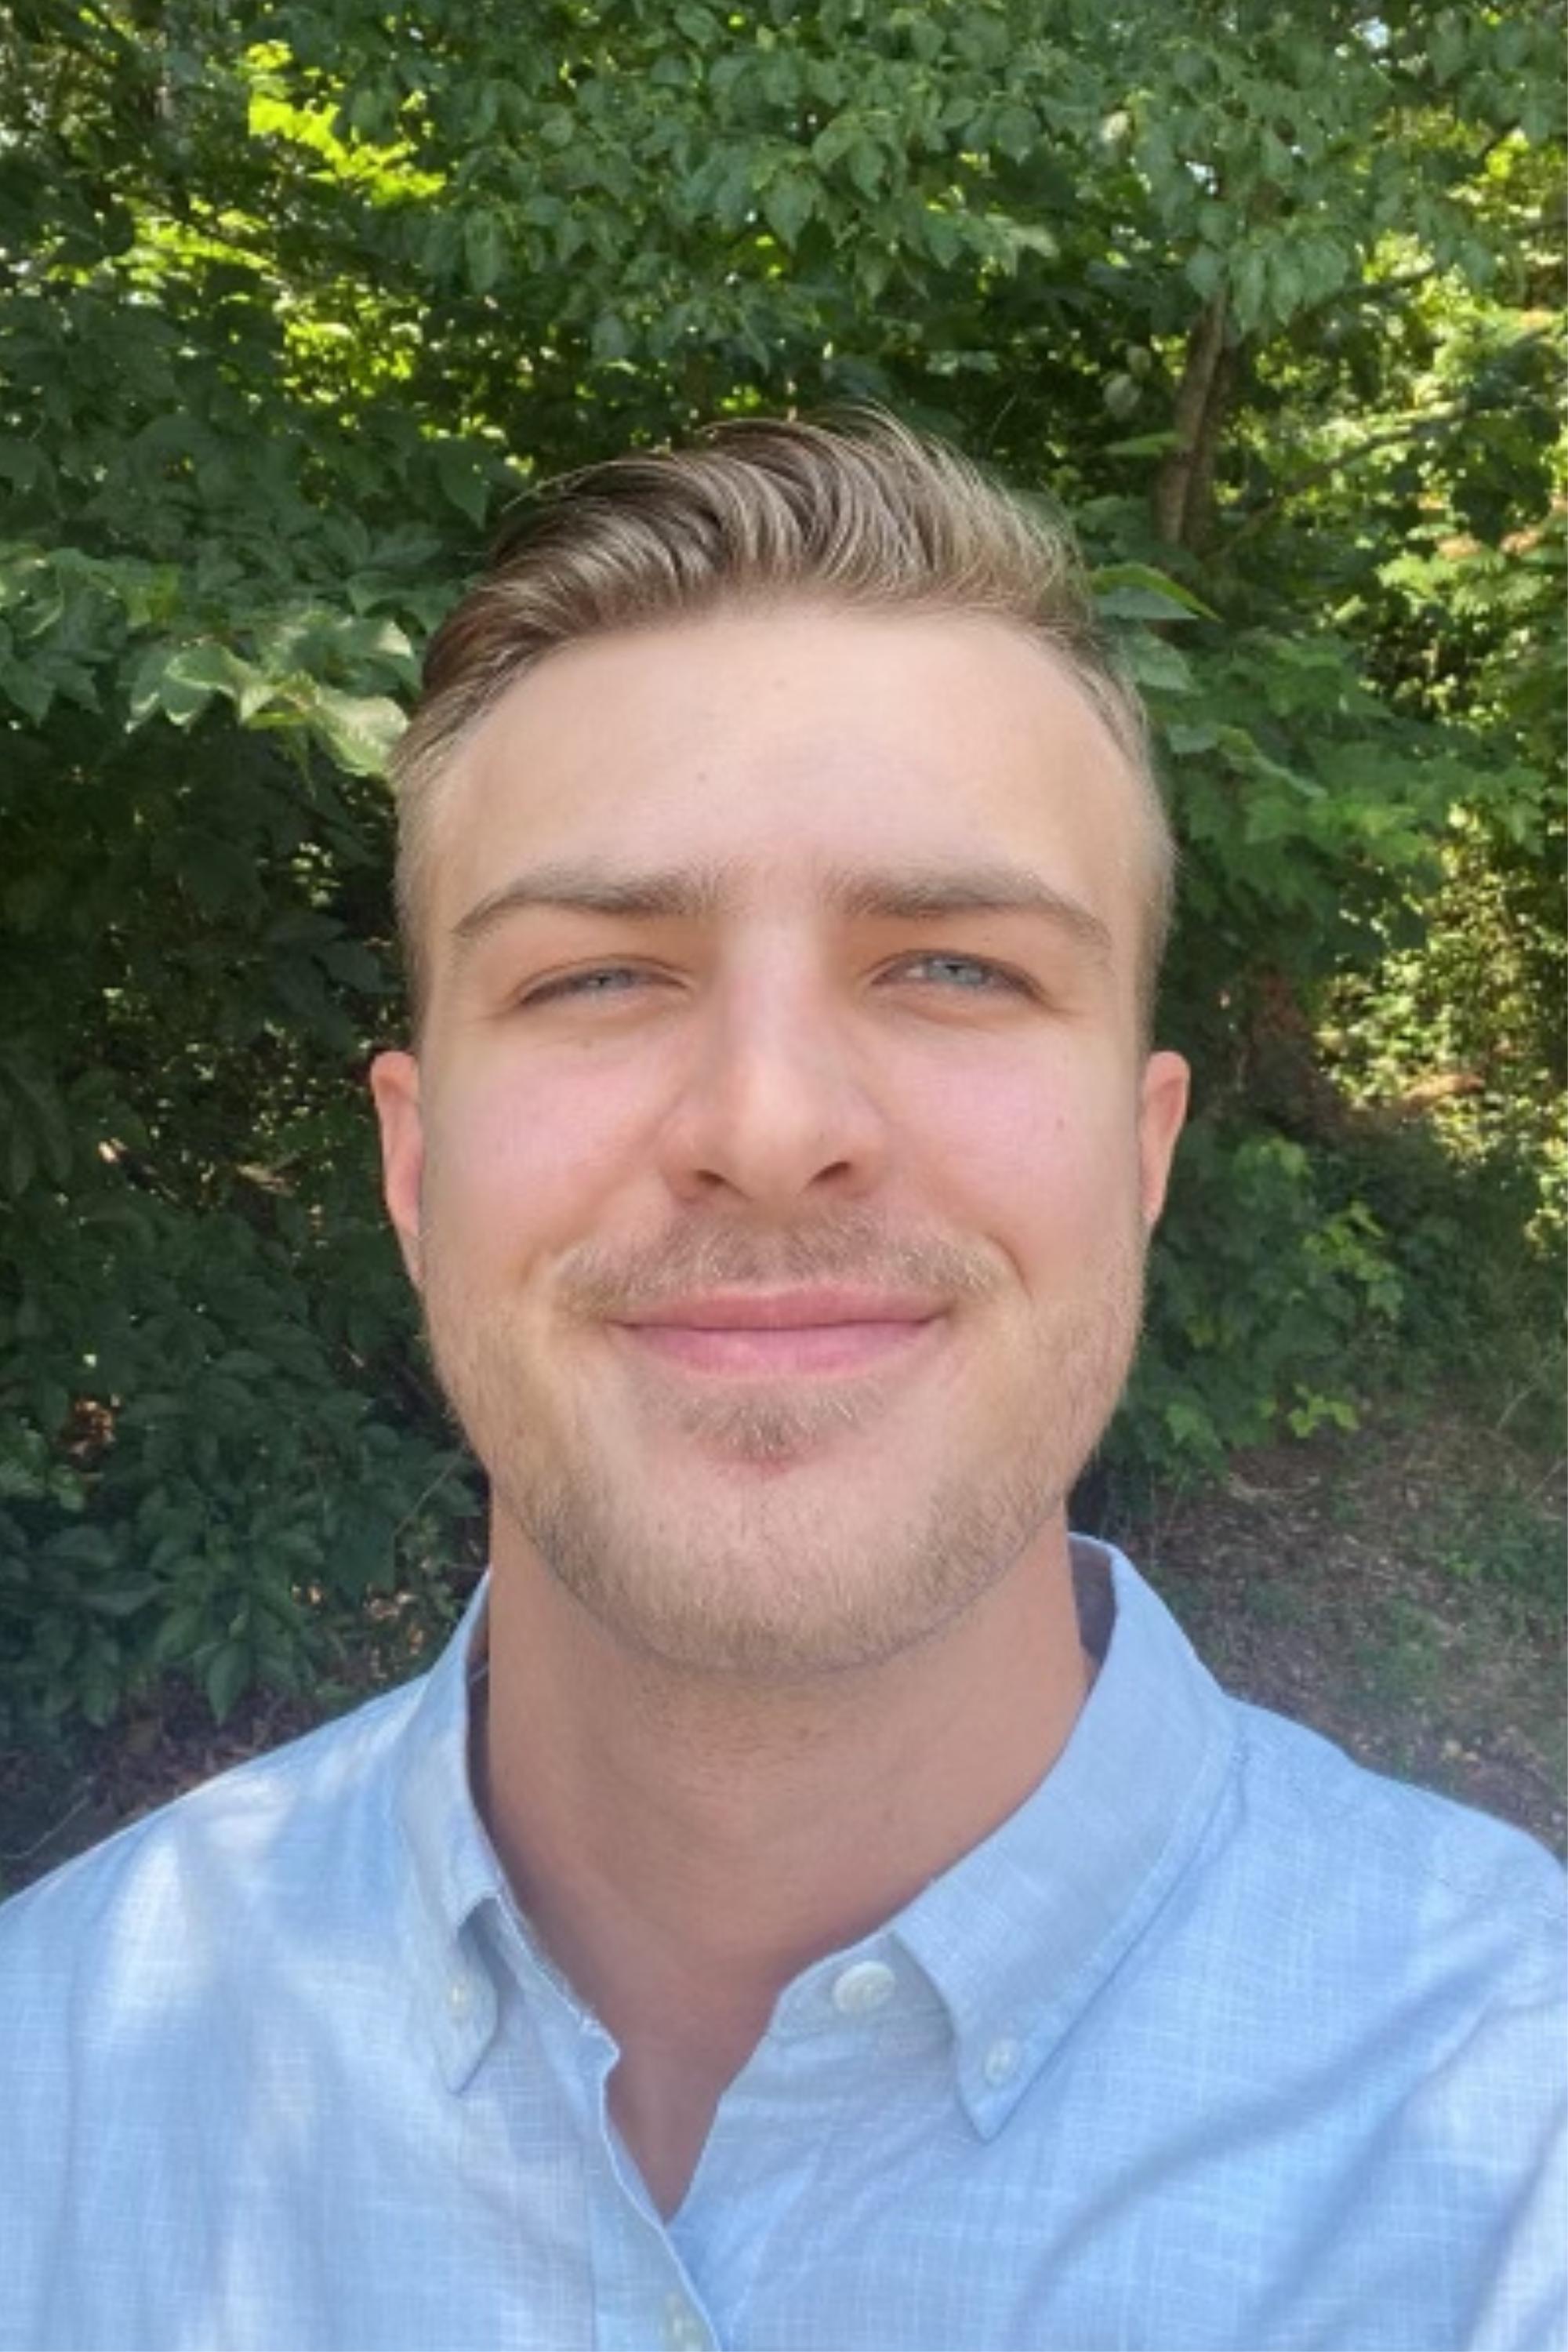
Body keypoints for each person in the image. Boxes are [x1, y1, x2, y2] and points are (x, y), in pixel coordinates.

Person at [1, 415, 1561, 2352]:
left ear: (1141, 1152)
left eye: (954, 968)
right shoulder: (48, 2089)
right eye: (595, 976)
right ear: (412, 1165)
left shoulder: (1511, 2147)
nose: (766, 1125)